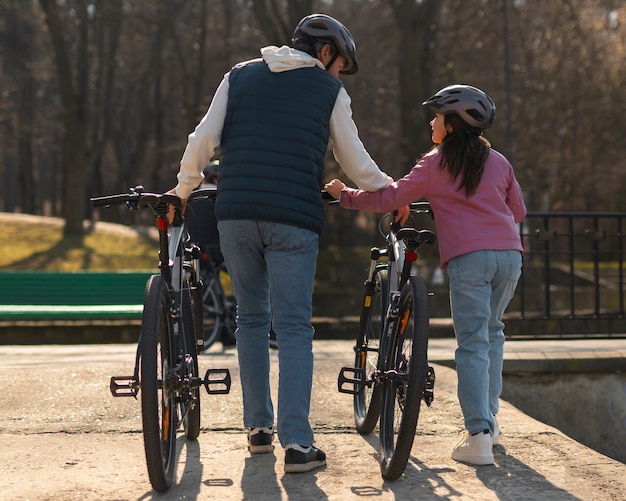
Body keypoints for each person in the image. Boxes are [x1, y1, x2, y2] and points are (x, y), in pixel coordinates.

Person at [169, 13, 394, 473]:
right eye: (338, 64)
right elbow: (353, 160)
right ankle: (296, 443)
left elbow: (203, 139)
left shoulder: (239, 76)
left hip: (233, 214)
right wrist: (390, 191)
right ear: (325, 52)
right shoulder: (328, 91)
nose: (336, 75)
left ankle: (258, 429)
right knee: (292, 326)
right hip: (293, 219)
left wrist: (182, 190)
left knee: (249, 318)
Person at [325, 84, 527, 466]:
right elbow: (517, 210)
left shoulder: (435, 163)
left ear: (451, 125)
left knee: (470, 343)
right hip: (510, 256)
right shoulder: (498, 161)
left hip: (471, 258)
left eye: (436, 116)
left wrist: (343, 194)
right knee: (492, 332)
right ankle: (492, 423)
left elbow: (390, 198)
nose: (430, 122)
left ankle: (479, 435)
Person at [184, 161, 237, 349]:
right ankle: (228, 329)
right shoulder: (218, 197)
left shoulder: (192, 198)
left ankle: (225, 333)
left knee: (214, 287)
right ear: (216, 179)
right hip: (216, 251)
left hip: (193, 251)